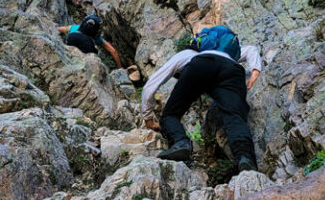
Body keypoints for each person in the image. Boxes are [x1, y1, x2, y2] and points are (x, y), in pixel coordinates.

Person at [141, 26, 261, 172]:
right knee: (235, 117)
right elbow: (251, 49)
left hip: (200, 66)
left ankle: (181, 143)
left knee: (170, 114)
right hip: (231, 70)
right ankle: (244, 157)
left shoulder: (186, 53)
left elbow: (151, 85)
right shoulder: (226, 52)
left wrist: (147, 117)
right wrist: (255, 69)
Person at [58, 14, 123, 68]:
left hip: (70, 52)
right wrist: (120, 68)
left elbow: (59, 29)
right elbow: (113, 51)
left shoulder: (75, 28)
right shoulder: (95, 37)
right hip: (87, 55)